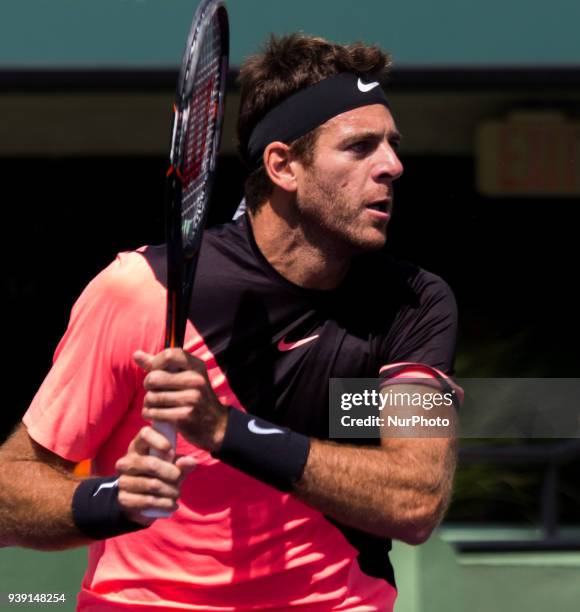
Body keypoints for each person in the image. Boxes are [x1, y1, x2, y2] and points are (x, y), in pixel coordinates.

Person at [0, 34, 460, 610]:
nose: (393, 166)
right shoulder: (140, 290)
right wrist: (111, 500)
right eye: (361, 147)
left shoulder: (415, 302)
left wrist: (225, 429)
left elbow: (415, 499)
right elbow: (7, 492)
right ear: (283, 166)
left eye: (393, 145)